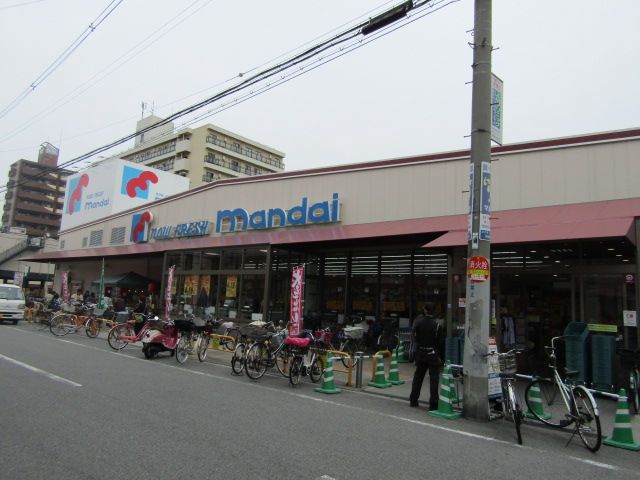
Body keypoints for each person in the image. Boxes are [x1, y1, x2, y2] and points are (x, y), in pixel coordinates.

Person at [409, 303, 442, 410]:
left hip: (421, 352)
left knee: (418, 377)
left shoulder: (418, 323)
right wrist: (439, 355)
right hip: (432, 353)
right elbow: (439, 342)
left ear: (425, 310)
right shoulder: (437, 325)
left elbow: (414, 337)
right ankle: (433, 403)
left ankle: (413, 400)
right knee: (434, 378)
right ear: (434, 311)